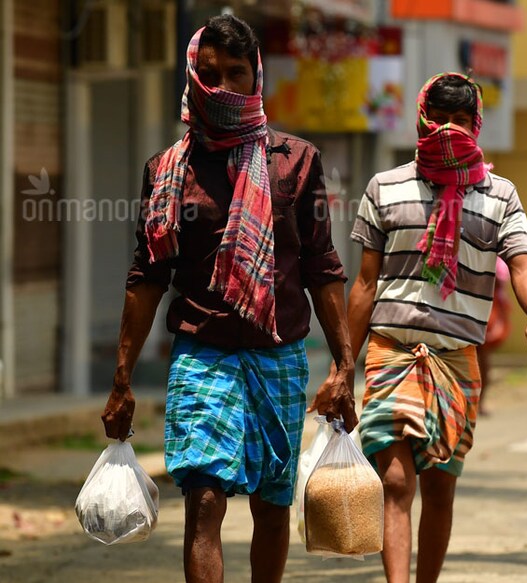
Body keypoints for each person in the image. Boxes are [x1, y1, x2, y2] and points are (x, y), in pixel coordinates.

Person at [99, 15, 357, 583]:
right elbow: (147, 276)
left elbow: (322, 267)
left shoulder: (296, 162)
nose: (223, 87)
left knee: (270, 504)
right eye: (209, 74)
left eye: (236, 73)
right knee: (204, 501)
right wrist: (121, 381)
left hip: (279, 355)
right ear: (191, 75)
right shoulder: (168, 171)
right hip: (200, 354)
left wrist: (343, 365)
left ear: (256, 75)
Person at [346, 72, 527, 582]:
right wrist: (340, 365)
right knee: (395, 481)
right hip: (391, 353)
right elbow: (365, 282)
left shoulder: (499, 194)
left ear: (476, 126)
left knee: (439, 487)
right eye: (440, 119)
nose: (449, 130)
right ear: (422, 120)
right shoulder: (384, 188)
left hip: (456, 361)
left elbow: (522, 264)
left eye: (461, 121)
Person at [477, 257, 512, 416]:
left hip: (488, 309)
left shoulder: (497, 258)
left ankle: (480, 401)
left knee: (483, 360)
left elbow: (500, 279)